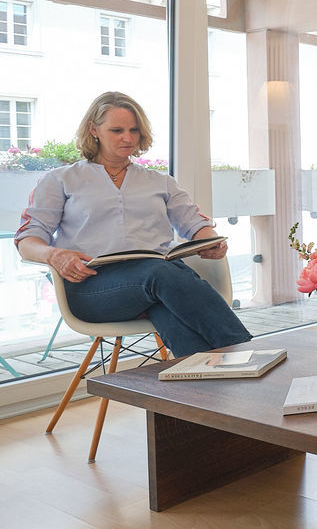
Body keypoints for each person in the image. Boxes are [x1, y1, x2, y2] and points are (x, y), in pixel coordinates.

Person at [14, 91, 251, 357]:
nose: (128, 138)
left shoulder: (160, 182)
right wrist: (54, 255)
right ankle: (247, 350)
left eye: (134, 130)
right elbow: (27, 241)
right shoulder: (60, 180)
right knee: (161, 274)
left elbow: (195, 225)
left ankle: (211, 379)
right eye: (117, 130)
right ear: (94, 129)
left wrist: (210, 242)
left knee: (172, 313)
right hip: (92, 289)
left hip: (159, 286)